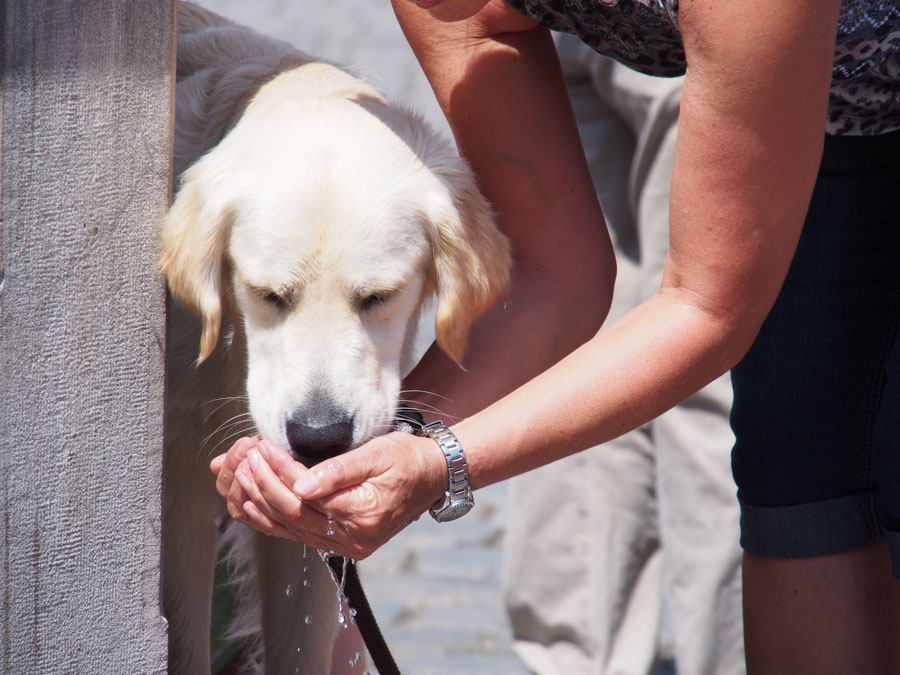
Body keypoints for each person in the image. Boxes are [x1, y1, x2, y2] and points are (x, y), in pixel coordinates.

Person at [211, 1, 900, 672]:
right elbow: (554, 273)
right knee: (803, 481)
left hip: (824, 49)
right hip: (834, 96)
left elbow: (706, 309)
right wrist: (404, 443)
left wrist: (441, 463)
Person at [501, 35, 743, 675]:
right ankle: (727, 657)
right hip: (709, 30)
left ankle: (571, 657)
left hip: (562, 25)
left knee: (567, 335)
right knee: (709, 361)